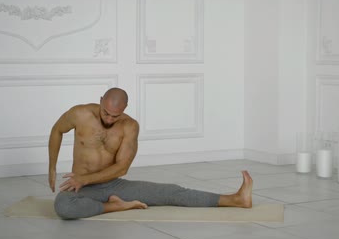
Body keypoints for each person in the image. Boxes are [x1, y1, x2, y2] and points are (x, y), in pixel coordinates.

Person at [49, 87, 253, 219]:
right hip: (82, 187)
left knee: (171, 192)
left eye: (115, 116)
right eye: (106, 113)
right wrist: (52, 167)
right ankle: (116, 207)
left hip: (113, 184)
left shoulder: (130, 126)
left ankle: (235, 199)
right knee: (64, 206)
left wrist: (86, 179)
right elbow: (57, 130)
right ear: (101, 100)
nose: (109, 119)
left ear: (125, 108)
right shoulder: (79, 113)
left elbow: (122, 167)